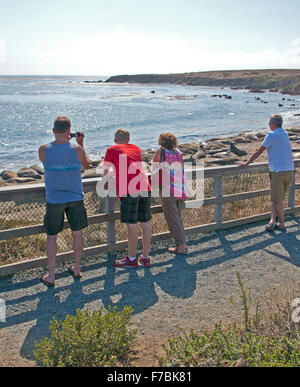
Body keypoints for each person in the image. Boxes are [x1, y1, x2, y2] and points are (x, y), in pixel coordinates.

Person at [38, 116, 91, 286]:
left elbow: (45, 163)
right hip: (75, 196)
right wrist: (80, 143)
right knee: (77, 233)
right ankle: (76, 268)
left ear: (53, 131)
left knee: (52, 236)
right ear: (69, 130)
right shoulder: (77, 149)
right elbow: (86, 166)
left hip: (54, 199)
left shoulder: (43, 149)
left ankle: (52, 275)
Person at [102, 129, 152, 268]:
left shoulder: (111, 149)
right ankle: (146, 257)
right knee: (145, 222)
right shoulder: (135, 148)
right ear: (128, 139)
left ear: (115, 139)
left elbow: (105, 173)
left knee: (132, 224)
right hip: (145, 186)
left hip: (130, 188)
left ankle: (131, 259)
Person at [237, 114, 294, 232]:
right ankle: (273, 220)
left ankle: (282, 224)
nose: (268, 125)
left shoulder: (271, 135)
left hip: (277, 171)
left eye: (269, 123)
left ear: (273, 124)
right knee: (277, 197)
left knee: (277, 200)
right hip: (289, 170)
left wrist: (246, 163)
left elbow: (259, 151)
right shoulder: (285, 133)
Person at [152, 132, 189, 254]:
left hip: (168, 188)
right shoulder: (178, 152)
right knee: (177, 217)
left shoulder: (160, 152)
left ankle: (181, 246)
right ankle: (182, 244)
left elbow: (154, 168)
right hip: (180, 187)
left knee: (173, 218)